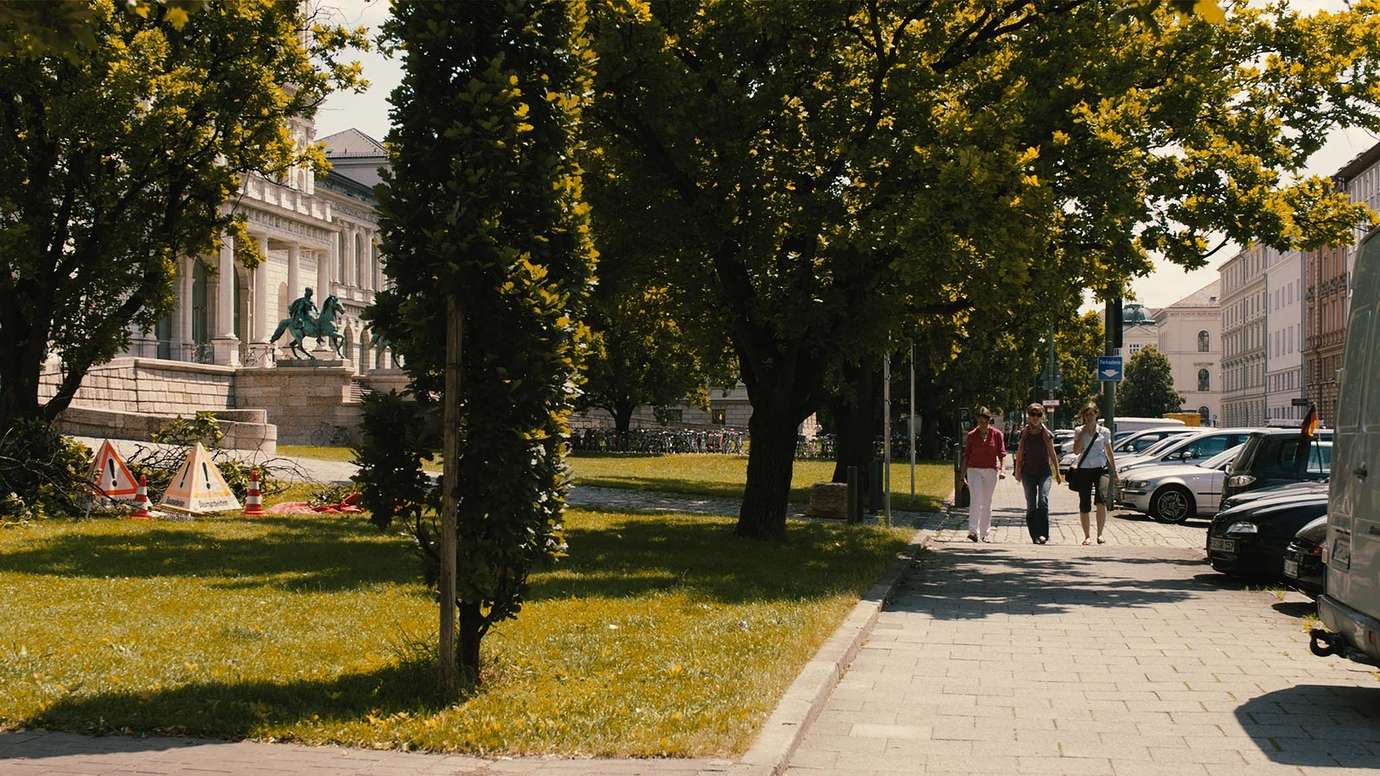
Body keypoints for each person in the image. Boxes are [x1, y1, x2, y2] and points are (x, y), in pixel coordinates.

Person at [1013, 403, 1061, 544]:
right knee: (1031, 505)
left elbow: (1052, 453)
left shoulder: (1046, 433)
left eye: (1038, 414)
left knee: (1043, 500)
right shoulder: (1024, 433)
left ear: (1042, 416)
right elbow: (1019, 453)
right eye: (1032, 414)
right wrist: (1017, 472)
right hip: (1028, 473)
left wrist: (1057, 472)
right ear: (1028, 416)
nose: (1035, 417)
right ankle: (1035, 535)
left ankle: (1044, 534)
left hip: (1044, 472)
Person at [1070, 401, 1118, 545]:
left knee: (1101, 499)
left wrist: (1114, 471)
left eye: (1092, 414)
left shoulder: (1104, 431)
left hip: (1101, 468)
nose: (1089, 417)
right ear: (1083, 416)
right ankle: (1087, 536)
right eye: (1087, 414)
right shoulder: (1079, 430)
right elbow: (1076, 451)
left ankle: (1100, 534)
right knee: (1085, 502)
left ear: (1097, 414)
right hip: (1084, 469)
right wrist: (1082, 433)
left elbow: (1109, 452)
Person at [959, 406, 1006, 542]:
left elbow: (1002, 454)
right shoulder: (972, 435)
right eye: (980, 422)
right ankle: (973, 531)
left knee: (987, 501)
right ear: (977, 421)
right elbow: (966, 456)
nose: (983, 425)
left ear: (989, 421)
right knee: (976, 499)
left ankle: (985, 533)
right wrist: (962, 476)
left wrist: (1003, 470)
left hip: (990, 470)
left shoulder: (997, 434)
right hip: (974, 470)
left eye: (985, 422)